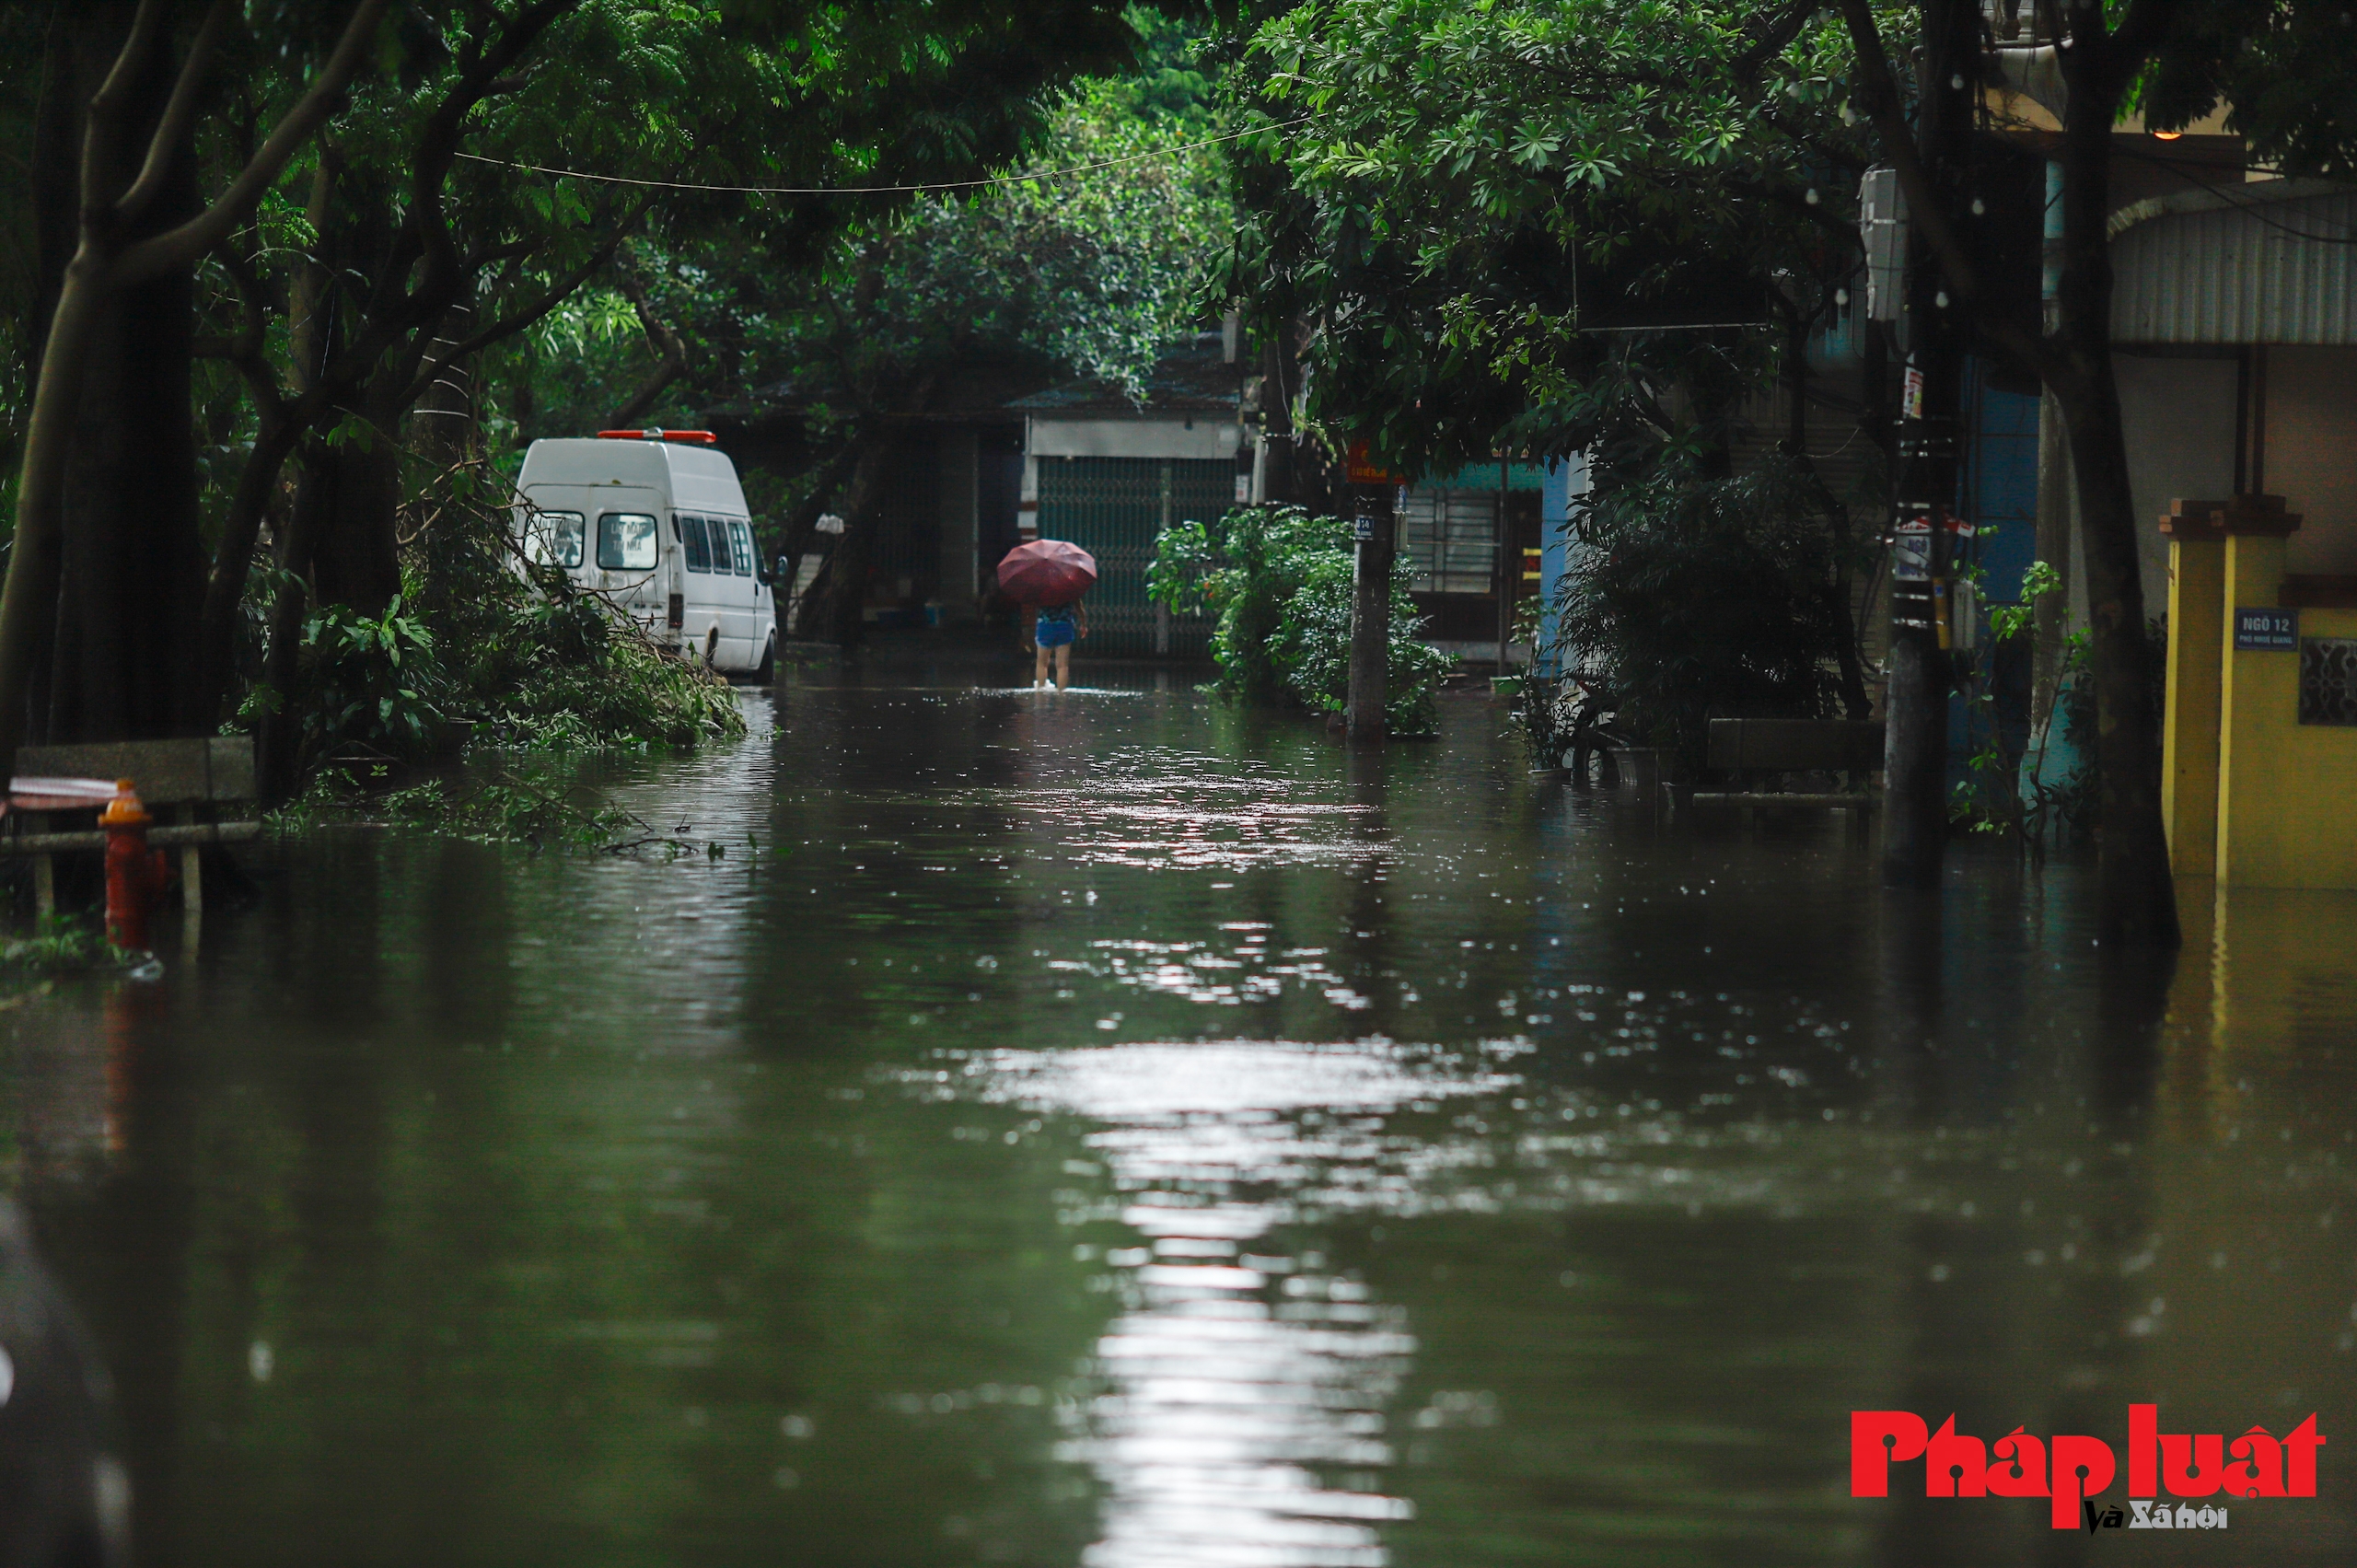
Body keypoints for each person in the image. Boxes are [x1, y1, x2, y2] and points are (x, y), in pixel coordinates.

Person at [1032, 597, 1086, 690]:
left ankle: (1040, 691)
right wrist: (1083, 624)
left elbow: (1035, 605)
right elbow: (1079, 607)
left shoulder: (1042, 588)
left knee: (1042, 663)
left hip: (1045, 625)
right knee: (1062, 666)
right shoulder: (1069, 587)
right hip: (1064, 626)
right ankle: (1061, 693)